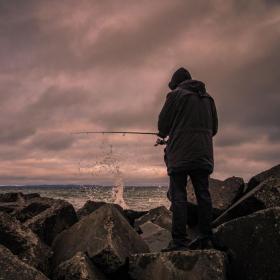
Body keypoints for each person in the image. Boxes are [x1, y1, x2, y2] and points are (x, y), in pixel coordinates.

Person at [157, 67, 218, 251]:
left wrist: (164, 135)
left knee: (179, 195)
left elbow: (163, 124)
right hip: (203, 154)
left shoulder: (175, 95)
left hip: (181, 155)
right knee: (203, 195)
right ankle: (206, 237)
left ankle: (180, 242)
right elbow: (214, 128)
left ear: (176, 84)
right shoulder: (208, 98)